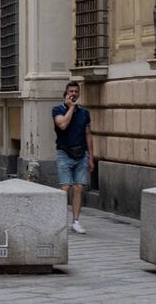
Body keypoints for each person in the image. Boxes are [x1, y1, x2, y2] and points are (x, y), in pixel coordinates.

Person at [53, 81, 94, 234]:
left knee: (78, 187)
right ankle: (59, 219)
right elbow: (62, 125)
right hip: (64, 153)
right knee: (65, 187)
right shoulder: (57, 110)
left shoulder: (84, 113)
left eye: (76, 91)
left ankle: (76, 221)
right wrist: (70, 108)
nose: (74, 93)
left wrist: (91, 157)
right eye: (71, 91)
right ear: (66, 93)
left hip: (81, 154)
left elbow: (88, 135)